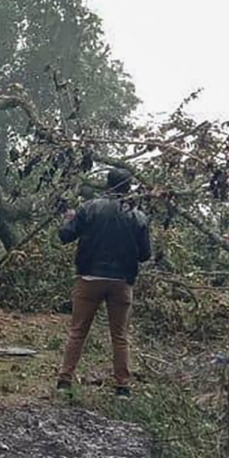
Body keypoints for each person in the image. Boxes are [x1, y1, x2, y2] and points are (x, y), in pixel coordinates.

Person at [56, 168, 152, 396]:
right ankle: (122, 387)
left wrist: (67, 219)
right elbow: (145, 255)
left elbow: (65, 236)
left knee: (77, 331)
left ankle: (64, 381)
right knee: (120, 336)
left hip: (89, 277)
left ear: (107, 184)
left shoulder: (89, 207)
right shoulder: (138, 216)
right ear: (129, 187)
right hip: (121, 282)